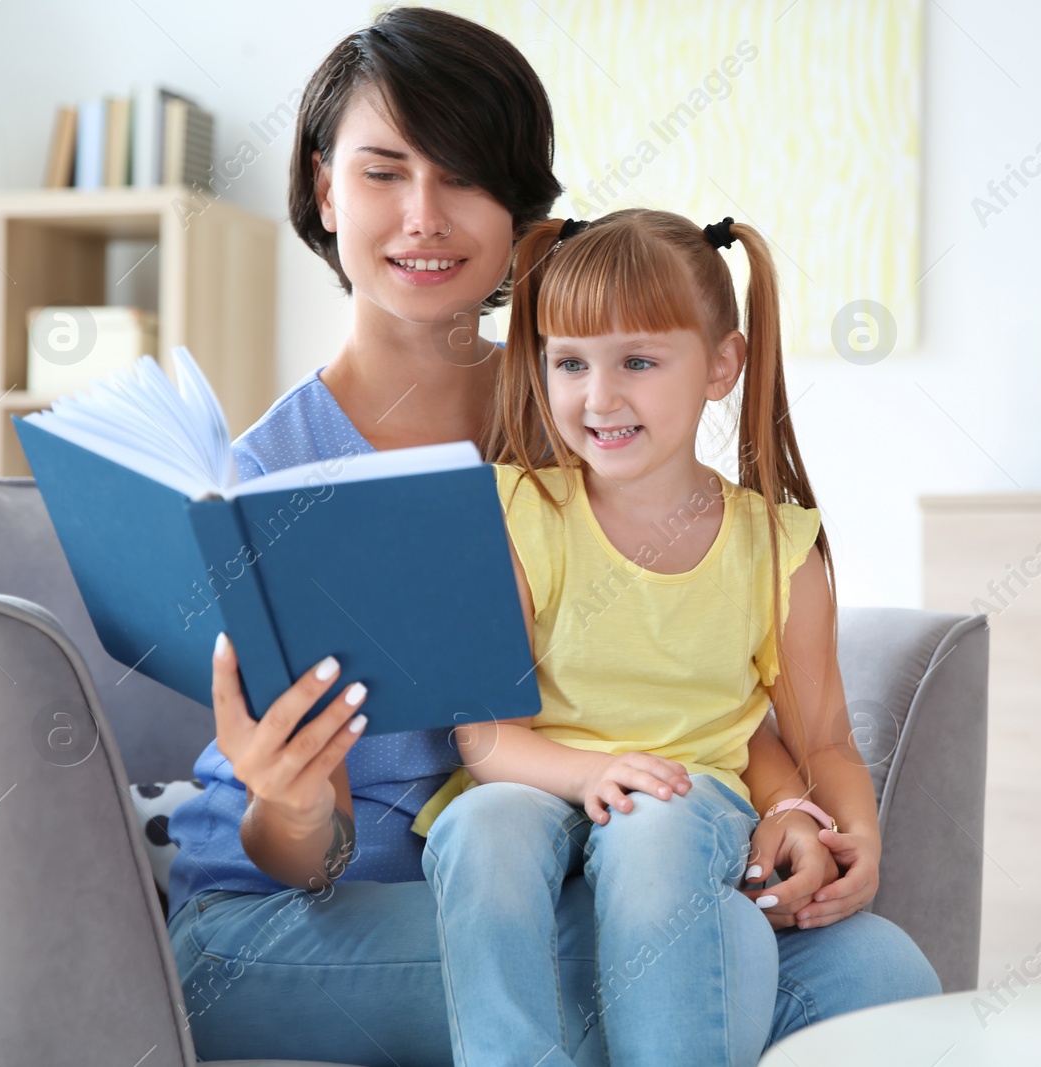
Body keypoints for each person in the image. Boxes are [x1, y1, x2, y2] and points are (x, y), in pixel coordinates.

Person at [163, 9, 937, 1065]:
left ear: (522, 208)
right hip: (307, 907)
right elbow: (301, 851)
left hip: (576, 864)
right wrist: (287, 797)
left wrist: (786, 800)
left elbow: (688, 673)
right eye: (384, 172)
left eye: (465, 177)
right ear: (322, 188)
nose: (424, 216)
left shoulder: (585, 415)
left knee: (882, 974)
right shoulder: (273, 479)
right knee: (701, 959)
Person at [414, 208, 905, 1067]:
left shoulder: (776, 547)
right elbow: (486, 737)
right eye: (570, 362)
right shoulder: (517, 511)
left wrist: (853, 837)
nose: (598, 398)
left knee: (654, 826)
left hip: (688, 800)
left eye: (637, 361)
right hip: (539, 777)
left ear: (723, 364)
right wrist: (593, 772)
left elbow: (823, 736)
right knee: (481, 825)